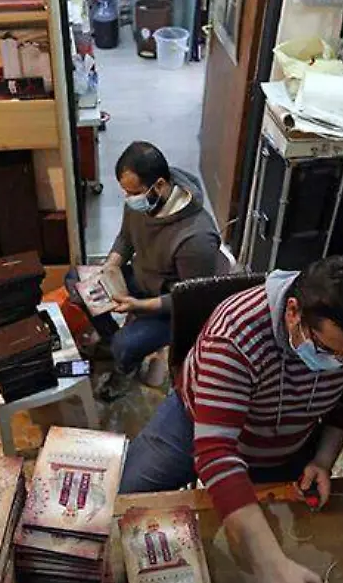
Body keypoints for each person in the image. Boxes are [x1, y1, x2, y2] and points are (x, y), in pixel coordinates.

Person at [120, 253, 343, 583]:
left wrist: (322, 458)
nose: (335, 364)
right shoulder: (235, 334)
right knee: (125, 501)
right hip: (196, 421)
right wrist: (269, 566)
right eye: (325, 349)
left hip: (287, 438)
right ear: (294, 312)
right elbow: (216, 452)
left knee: (268, 558)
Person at [69, 141, 228, 401]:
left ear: (161, 185)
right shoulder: (142, 202)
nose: (129, 199)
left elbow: (189, 300)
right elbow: (125, 238)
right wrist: (109, 268)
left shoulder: (195, 237)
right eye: (125, 192)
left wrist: (138, 306)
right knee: (76, 281)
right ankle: (112, 341)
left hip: (172, 306)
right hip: (143, 280)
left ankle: (125, 368)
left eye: (134, 192)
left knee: (127, 344)